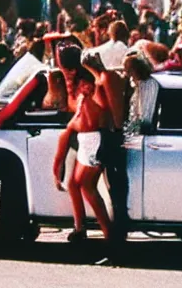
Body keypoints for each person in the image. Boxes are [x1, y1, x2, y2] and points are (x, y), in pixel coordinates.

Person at [52, 43, 112, 242]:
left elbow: (98, 106)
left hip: (94, 138)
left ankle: (110, 236)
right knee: (73, 184)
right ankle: (80, 228)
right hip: (86, 138)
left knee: (87, 186)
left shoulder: (88, 84)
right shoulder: (79, 83)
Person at [81, 51, 129, 239]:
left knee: (116, 182)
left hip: (111, 134)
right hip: (106, 134)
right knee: (111, 182)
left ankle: (119, 227)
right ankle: (116, 224)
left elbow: (115, 106)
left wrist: (116, 132)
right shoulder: (101, 77)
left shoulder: (107, 77)